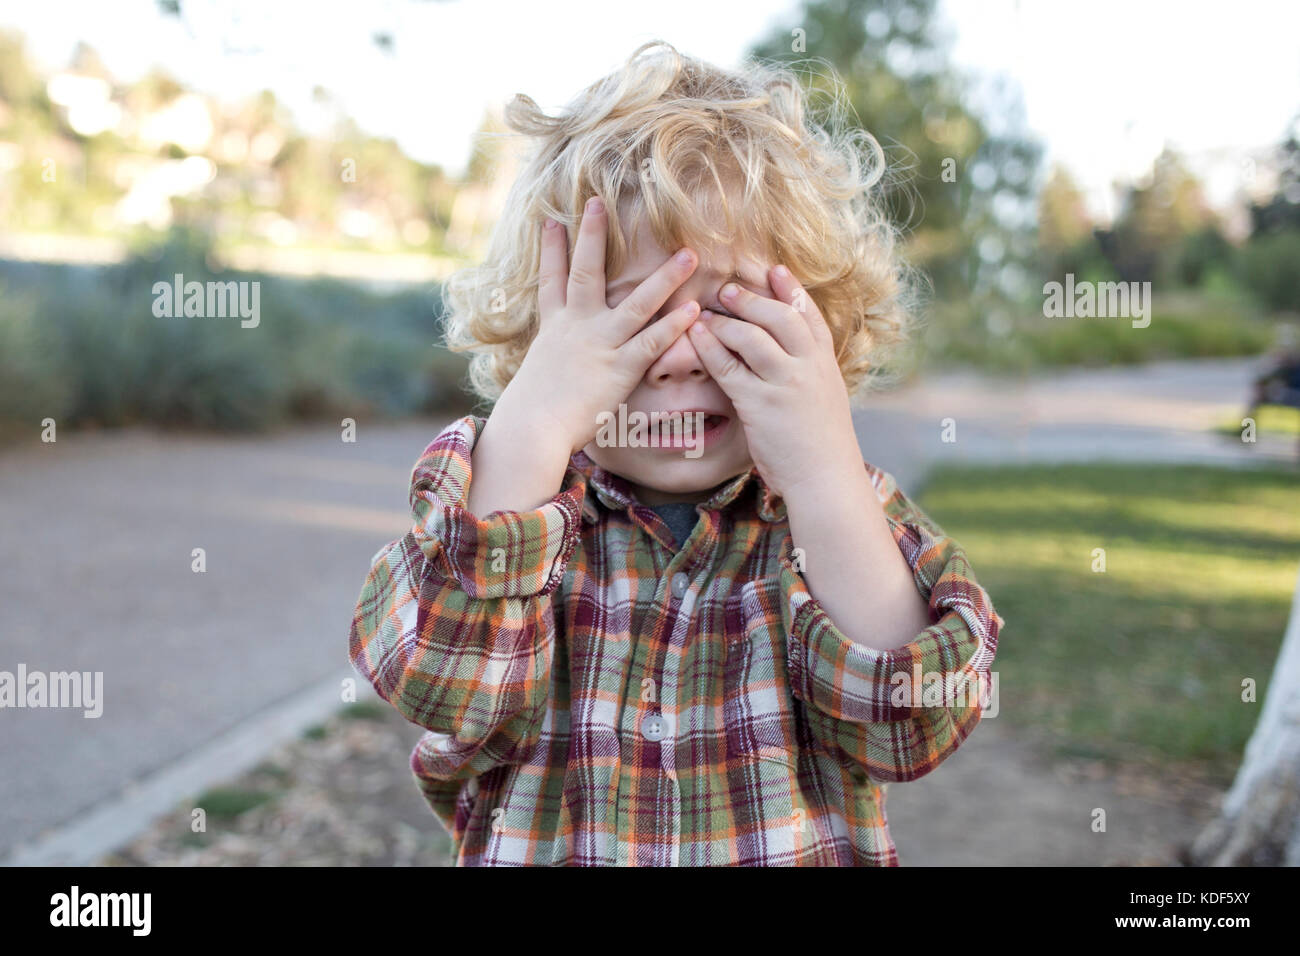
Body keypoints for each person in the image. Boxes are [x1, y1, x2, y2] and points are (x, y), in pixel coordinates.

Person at [348, 40, 1003, 866]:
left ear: (820, 329)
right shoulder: (508, 502)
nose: (678, 355)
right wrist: (539, 417)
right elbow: (439, 678)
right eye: (629, 313)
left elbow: (911, 726)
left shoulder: (836, 513)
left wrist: (823, 473)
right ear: (538, 338)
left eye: (729, 308)